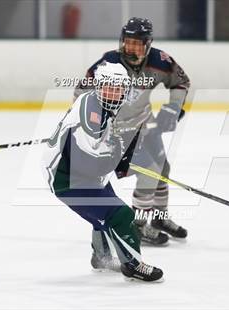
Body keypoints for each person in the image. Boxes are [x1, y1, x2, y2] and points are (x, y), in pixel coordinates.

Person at [73, 17, 190, 245]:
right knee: (150, 172)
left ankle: (158, 218)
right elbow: (82, 89)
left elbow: (181, 82)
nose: (131, 48)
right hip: (116, 133)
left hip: (145, 126)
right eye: (128, 42)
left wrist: (173, 108)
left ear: (148, 44)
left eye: (137, 44)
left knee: (163, 168)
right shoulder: (110, 63)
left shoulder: (160, 60)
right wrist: (86, 122)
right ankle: (137, 226)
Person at [43, 61, 163, 282]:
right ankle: (133, 265)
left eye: (118, 88)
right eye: (108, 86)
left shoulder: (104, 106)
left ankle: (102, 257)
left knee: (106, 213)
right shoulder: (91, 111)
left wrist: (121, 150)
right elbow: (94, 162)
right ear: (98, 86)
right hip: (68, 180)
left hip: (84, 173)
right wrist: (121, 159)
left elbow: (103, 152)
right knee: (121, 215)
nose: (113, 92)